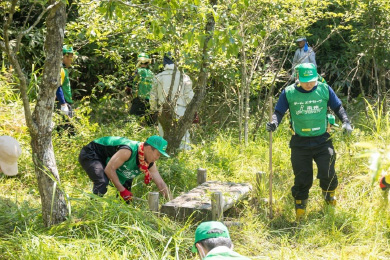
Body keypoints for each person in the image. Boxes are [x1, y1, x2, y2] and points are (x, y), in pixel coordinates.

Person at [266, 63, 353, 221]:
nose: (309, 84)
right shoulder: (289, 93)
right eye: (305, 80)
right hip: (299, 143)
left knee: (328, 172)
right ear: (298, 78)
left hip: (323, 140)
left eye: (312, 80)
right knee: (302, 178)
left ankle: (329, 204)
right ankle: (300, 213)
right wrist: (274, 122)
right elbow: (278, 111)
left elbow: (338, 106)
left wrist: (346, 121)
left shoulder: (324, 89)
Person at [78, 135, 171, 201]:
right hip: (92, 153)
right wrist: (121, 190)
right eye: (158, 154)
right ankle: (93, 211)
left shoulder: (148, 162)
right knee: (102, 181)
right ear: (149, 148)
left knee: (127, 197)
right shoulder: (128, 151)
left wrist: (173, 204)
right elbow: (109, 169)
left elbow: (161, 184)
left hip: (111, 161)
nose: (157, 158)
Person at [150, 54, 194, 150]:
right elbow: (189, 96)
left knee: (163, 135)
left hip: (163, 109)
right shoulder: (184, 77)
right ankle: (184, 155)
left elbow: (153, 96)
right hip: (181, 109)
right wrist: (192, 111)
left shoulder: (158, 77)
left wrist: (153, 109)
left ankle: (164, 154)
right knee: (183, 136)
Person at [127, 53, 155, 125]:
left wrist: (129, 93)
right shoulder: (152, 73)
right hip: (150, 100)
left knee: (131, 119)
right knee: (150, 122)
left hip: (139, 99)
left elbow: (129, 85)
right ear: (148, 62)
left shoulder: (137, 71)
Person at [56, 45, 75, 117]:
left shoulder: (65, 69)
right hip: (63, 103)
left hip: (66, 102)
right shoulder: (61, 70)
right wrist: (63, 104)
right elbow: (58, 86)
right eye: (70, 56)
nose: (71, 59)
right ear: (65, 57)